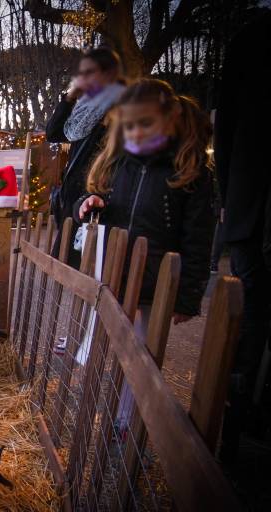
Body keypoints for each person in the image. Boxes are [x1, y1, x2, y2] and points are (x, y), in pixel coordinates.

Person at [74, 79, 215, 431]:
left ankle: (126, 421)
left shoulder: (189, 173)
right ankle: (90, 404)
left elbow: (198, 239)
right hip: (115, 273)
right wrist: (89, 204)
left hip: (156, 284)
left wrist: (187, 297)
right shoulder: (117, 164)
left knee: (141, 356)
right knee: (105, 345)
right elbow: (96, 199)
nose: (136, 131)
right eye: (130, 123)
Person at [213, 10, 271, 467]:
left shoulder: (251, 39)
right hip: (252, 200)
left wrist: (228, 191)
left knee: (253, 307)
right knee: (250, 309)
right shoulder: (251, 39)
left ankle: (250, 411)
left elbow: (227, 123)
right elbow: (228, 122)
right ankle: (244, 415)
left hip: (250, 197)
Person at [46, 47, 125, 268]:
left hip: (94, 196)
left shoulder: (117, 106)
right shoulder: (84, 108)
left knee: (81, 266)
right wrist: (70, 98)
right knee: (65, 265)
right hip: (72, 198)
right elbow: (53, 133)